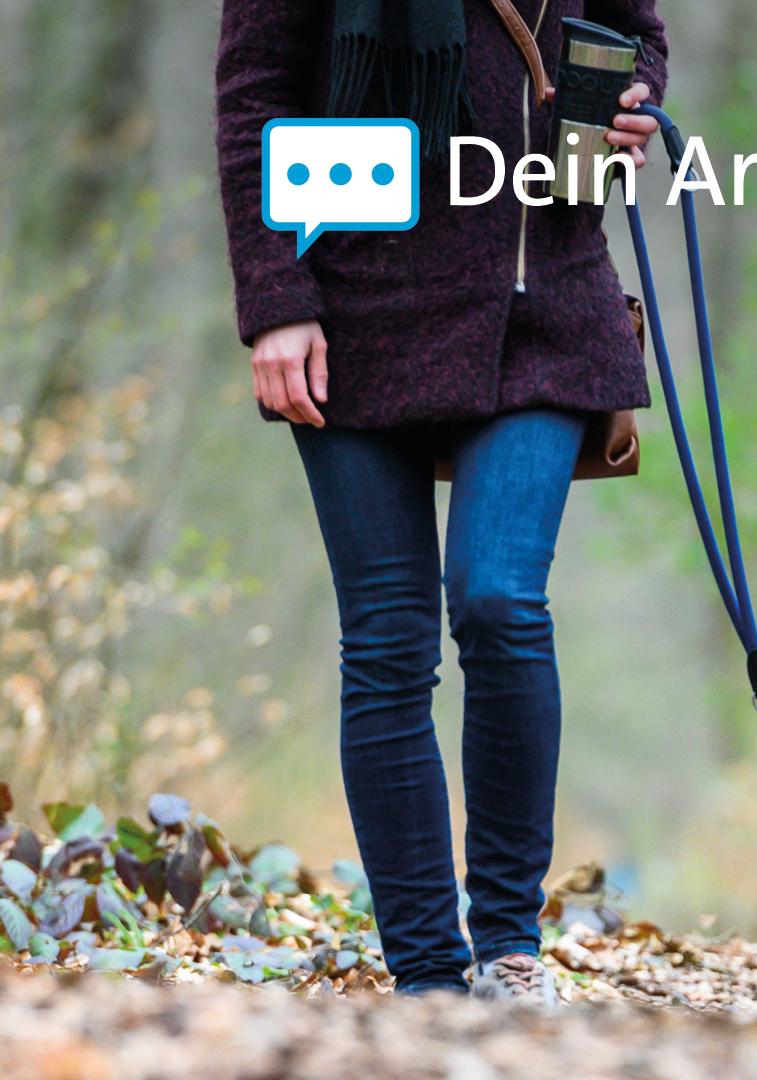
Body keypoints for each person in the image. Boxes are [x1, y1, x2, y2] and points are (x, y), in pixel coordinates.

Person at [213, 0, 670, 1004]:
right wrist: (275, 303)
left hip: (539, 305)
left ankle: (508, 948)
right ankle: (427, 974)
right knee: (386, 639)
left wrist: (635, 105)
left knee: (501, 599)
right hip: (353, 307)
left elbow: (634, 32)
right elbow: (252, 100)